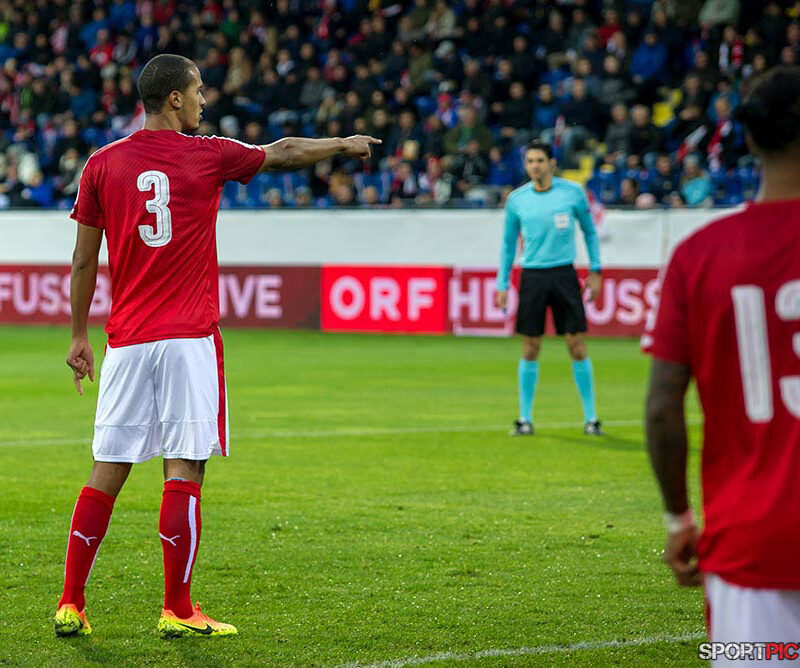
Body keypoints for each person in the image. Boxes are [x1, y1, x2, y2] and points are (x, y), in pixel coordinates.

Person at [56, 53, 380, 639]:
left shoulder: (101, 164)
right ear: (174, 98)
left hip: (127, 342)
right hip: (187, 338)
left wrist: (80, 335)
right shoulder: (208, 154)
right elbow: (281, 152)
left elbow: (83, 259)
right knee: (185, 466)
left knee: (109, 467)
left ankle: (71, 601)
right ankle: (177, 608)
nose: (205, 100)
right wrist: (342, 143)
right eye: (199, 90)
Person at [644, 65, 800, 651]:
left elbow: (662, 408)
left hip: (749, 546)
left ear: (750, 141)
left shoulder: (698, 255)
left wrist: (680, 520)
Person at [495, 140, 603, 437]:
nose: (534, 166)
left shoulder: (572, 193)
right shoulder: (517, 199)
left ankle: (592, 418)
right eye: (530, 161)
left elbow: (590, 232)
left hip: (564, 275)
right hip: (532, 276)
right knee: (530, 346)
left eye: (540, 160)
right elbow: (507, 246)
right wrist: (502, 283)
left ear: (552, 163)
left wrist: (596, 270)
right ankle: (525, 418)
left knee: (576, 345)